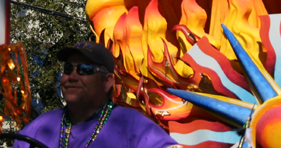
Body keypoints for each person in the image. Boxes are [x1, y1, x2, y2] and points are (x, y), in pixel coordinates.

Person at [13, 41, 180, 148]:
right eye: (68, 69)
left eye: (85, 70)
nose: (72, 76)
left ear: (107, 81)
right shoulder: (41, 126)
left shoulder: (131, 123)